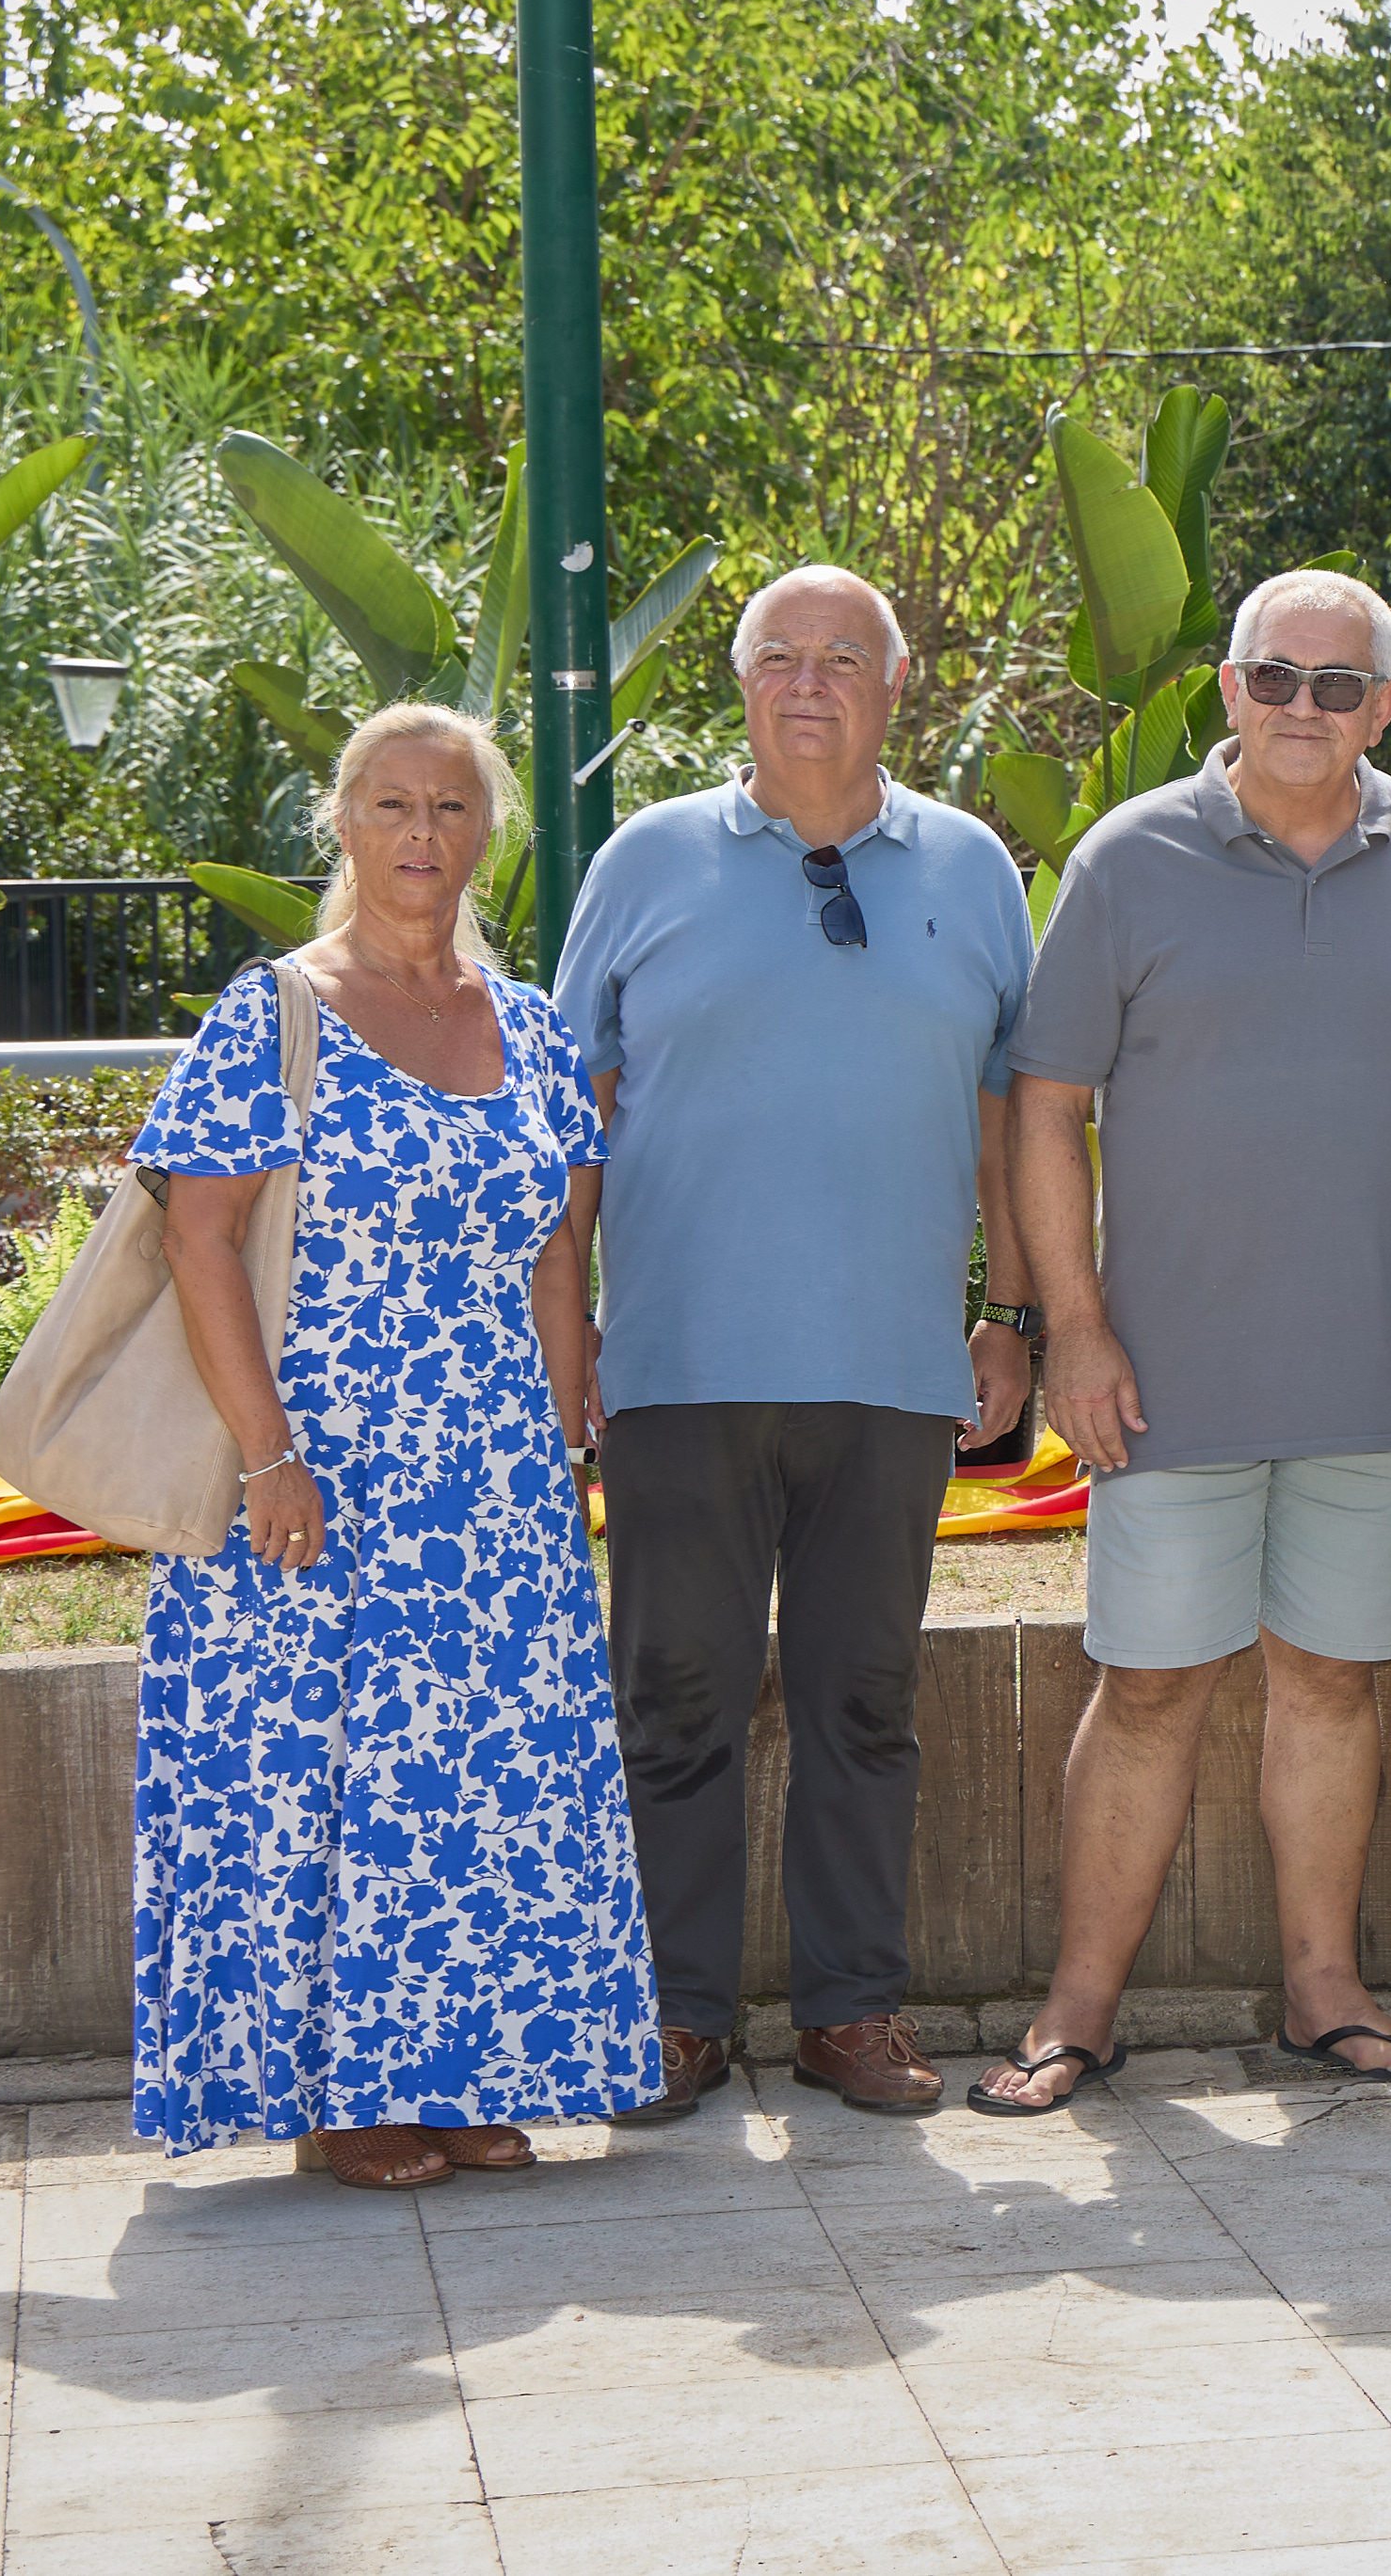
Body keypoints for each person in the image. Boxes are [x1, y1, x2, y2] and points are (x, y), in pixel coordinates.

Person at [970, 566, 1391, 2111]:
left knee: (1333, 1681)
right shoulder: (1129, 860)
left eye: (1341, 686)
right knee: (1149, 1685)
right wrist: (1070, 1325)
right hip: (1163, 1373)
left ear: (1385, 705)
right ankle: (1077, 2011)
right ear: (1228, 686)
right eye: (1277, 678)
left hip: (1373, 1366)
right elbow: (1044, 1106)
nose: (1304, 710)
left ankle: (1322, 1996)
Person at [134, 704, 655, 2184]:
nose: (421, 836)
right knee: (318, 1772)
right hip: (318, 1463)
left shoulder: (532, 1020)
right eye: (389, 805)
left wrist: (563, 1443)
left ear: (488, 832)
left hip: (492, 1478)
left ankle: (461, 2065)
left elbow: (562, 1247)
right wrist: (266, 1452)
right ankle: (338, 2099)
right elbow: (200, 1234)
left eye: (450, 808)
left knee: (481, 1775)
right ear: (344, 824)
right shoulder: (274, 1008)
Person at [555, 565, 1038, 2124]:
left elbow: (1008, 1117)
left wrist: (1013, 1313)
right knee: (674, 1699)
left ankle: (851, 2010)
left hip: (894, 1372)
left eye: (844, 656)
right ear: (741, 683)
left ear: (897, 682)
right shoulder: (644, 861)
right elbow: (567, 1121)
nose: (810, 681)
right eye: (780, 656)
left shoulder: (970, 868)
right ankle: (673, 2017)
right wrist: (564, 1331)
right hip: (680, 1367)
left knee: (863, 1698)